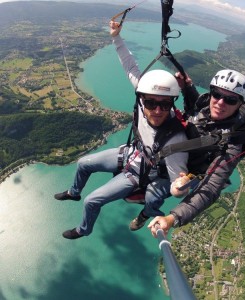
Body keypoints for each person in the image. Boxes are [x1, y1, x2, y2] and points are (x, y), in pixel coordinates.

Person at [53, 25, 189, 240]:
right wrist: (116, 36)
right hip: (131, 153)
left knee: (92, 201)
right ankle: (73, 192)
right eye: (151, 103)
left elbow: (176, 183)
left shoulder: (175, 138)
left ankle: (83, 230)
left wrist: (180, 187)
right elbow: (130, 66)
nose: (157, 110)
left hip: (140, 174)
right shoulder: (143, 92)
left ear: (172, 102)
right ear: (142, 98)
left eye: (164, 105)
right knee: (83, 163)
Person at [147, 69, 245, 236]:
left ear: (240, 104)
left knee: (151, 197)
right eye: (216, 94)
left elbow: (211, 187)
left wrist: (172, 218)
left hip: (189, 175)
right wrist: (186, 86)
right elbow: (194, 104)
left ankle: (146, 213)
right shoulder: (204, 105)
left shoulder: (233, 142)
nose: (220, 102)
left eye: (230, 99)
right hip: (171, 157)